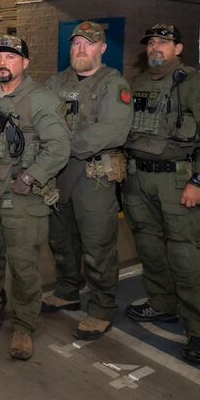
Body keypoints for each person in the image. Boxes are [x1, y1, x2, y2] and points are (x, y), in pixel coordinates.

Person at [0, 35, 69, 361]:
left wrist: (31, 177)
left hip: (21, 199)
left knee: (23, 265)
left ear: (25, 63)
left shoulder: (40, 100)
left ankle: (23, 325)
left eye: (11, 57)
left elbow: (59, 147)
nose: (2, 62)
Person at [123, 23, 200, 365]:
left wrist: (199, 180)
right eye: (151, 42)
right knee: (149, 247)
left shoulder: (195, 84)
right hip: (138, 179)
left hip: (177, 181)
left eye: (163, 42)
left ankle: (199, 329)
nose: (155, 47)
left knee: (184, 255)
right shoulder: (137, 83)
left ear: (178, 48)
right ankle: (162, 303)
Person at [42, 21, 133, 340]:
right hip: (59, 175)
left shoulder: (113, 84)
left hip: (94, 177)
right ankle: (67, 290)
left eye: (89, 43)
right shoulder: (58, 81)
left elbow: (113, 131)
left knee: (98, 245)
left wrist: (59, 144)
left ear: (102, 48)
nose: (81, 48)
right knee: (61, 239)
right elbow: (41, 118)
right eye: (76, 43)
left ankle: (102, 309)